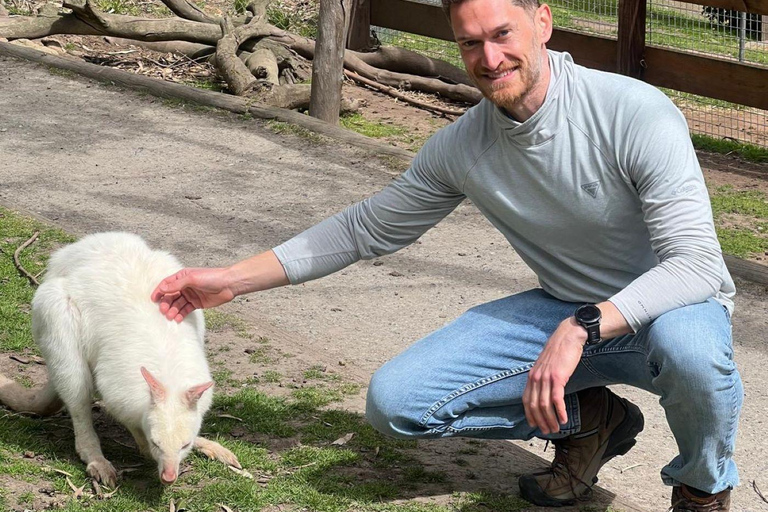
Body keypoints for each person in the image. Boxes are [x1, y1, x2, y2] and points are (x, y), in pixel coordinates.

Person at [151, 0, 741, 509]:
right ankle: (591, 421)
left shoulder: (631, 111)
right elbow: (363, 228)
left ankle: (701, 489)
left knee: (692, 355)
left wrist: (583, 326)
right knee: (398, 404)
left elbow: (696, 265)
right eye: (470, 42)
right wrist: (232, 279)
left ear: (543, 23)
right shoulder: (464, 146)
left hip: (669, 307)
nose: (489, 60)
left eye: (502, 34)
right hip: (563, 309)